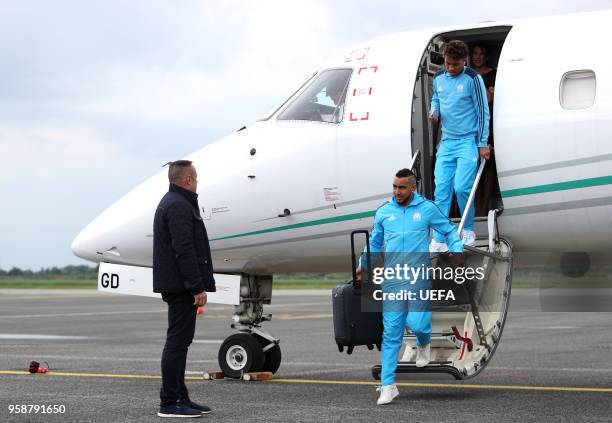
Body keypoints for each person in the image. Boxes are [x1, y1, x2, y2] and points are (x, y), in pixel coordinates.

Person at [356, 169, 463, 405]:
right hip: (392, 279)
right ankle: (388, 385)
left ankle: (423, 343)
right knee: (391, 334)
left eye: (401, 188)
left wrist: (456, 248)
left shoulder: (427, 209)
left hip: (418, 277)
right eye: (394, 187)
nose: (396, 192)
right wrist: (363, 264)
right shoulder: (384, 211)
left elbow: (448, 229)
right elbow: (374, 242)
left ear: (412, 188)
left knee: (417, 323)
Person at [153, 160, 216, 418]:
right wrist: (196, 287)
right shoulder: (179, 205)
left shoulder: (173, 202)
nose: (197, 182)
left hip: (177, 284)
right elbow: (184, 249)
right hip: (181, 286)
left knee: (181, 342)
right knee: (177, 343)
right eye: (196, 178)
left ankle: (181, 396)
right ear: (187, 179)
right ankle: (169, 402)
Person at [429, 40, 490, 251]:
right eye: (447, 63)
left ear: (464, 61)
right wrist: (434, 110)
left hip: (467, 141)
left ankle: (468, 231)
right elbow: (436, 98)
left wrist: (482, 143)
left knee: (462, 187)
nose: (450, 68)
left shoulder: (473, 79)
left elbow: (483, 112)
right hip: (447, 141)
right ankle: (440, 238)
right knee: (442, 191)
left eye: (455, 64)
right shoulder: (438, 77)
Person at [471, 43, 500, 216]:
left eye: (481, 53)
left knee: (488, 163)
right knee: (474, 166)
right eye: (474, 53)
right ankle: (477, 208)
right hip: (471, 123)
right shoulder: (469, 74)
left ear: (487, 56)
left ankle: (483, 207)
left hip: (487, 121)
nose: (477, 57)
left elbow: (489, 98)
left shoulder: (493, 74)